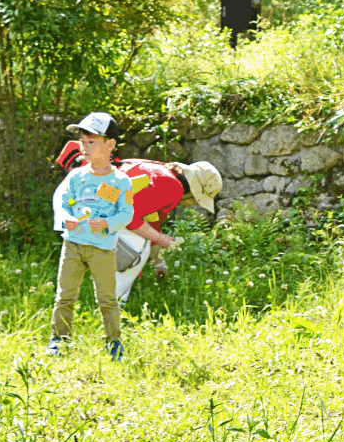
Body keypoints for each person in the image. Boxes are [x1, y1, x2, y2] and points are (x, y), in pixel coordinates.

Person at [55, 141, 222, 301]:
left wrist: (159, 263)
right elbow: (131, 219)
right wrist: (161, 239)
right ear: (193, 192)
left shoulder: (162, 171)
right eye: (196, 200)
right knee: (138, 247)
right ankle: (113, 302)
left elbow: (152, 225)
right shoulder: (173, 188)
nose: (192, 204)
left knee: (143, 241)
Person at [48, 113, 134, 360]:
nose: (84, 147)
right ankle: (59, 339)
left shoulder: (121, 181)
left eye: (92, 142)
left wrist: (107, 223)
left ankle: (114, 342)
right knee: (65, 296)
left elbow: (126, 213)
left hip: (102, 249)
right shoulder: (76, 176)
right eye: (82, 142)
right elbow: (63, 202)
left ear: (111, 145)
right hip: (73, 245)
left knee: (107, 299)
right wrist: (65, 217)